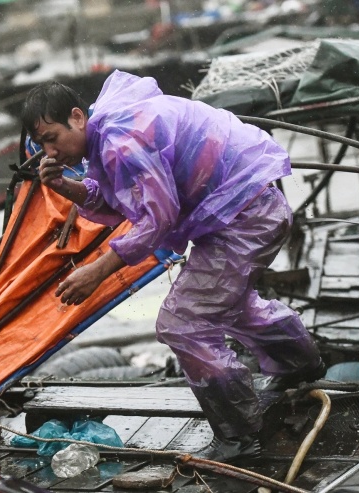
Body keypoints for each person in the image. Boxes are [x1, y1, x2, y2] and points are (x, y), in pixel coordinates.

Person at [21, 70, 325, 463]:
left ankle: (241, 434)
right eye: (42, 145)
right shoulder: (108, 131)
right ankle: (300, 364)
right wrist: (66, 186)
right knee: (224, 305)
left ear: (77, 118)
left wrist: (97, 272)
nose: (50, 152)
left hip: (248, 211)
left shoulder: (121, 140)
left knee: (182, 322)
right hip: (238, 211)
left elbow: (156, 218)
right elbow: (120, 196)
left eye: (52, 139)